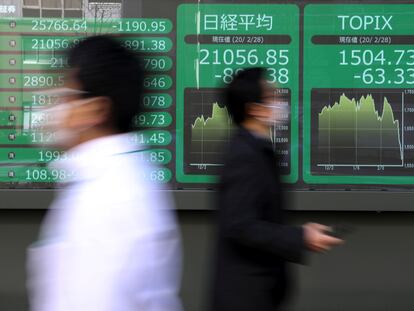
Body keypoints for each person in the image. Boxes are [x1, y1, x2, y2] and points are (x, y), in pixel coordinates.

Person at [27, 36, 182, 311]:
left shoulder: (109, 198)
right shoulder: (110, 181)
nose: (52, 105)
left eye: (65, 95)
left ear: (96, 109)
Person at [210, 67, 342, 311]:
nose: (281, 101)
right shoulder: (243, 156)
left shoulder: (259, 150)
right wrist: (300, 237)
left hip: (259, 295)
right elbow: (240, 225)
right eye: (272, 96)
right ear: (254, 109)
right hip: (244, 298)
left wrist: (302, 234)